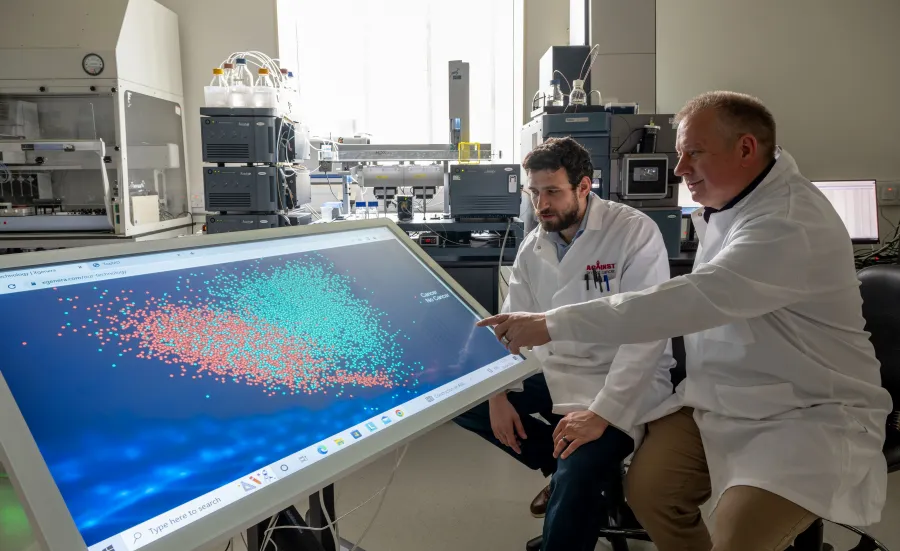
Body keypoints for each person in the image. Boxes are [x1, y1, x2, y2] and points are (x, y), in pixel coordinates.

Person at [477, 91, 892, 551]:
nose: (678, 170)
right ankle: (557, 466)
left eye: (692, 153)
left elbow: (685, 303)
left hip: (805, 411)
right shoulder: (730, 205)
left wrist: (553, 324)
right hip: (717, 397)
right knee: (650, 493)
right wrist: (500, 387)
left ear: (746, 149)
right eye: (679, 154)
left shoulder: (787, 223)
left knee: (737, 538)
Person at [454, 137, 675, 551]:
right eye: (533, 192)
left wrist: (601, 414)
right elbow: (510, 327)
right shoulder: (534, 246)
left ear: (584, 187)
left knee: (577, 473)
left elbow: (647, 335)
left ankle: (568, 472)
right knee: (461, 401)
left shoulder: (632, 232)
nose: (541, 205)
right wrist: (498, 393)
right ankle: (555, 462)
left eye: (552, 191)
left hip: (621, 382)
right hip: (559, 372)